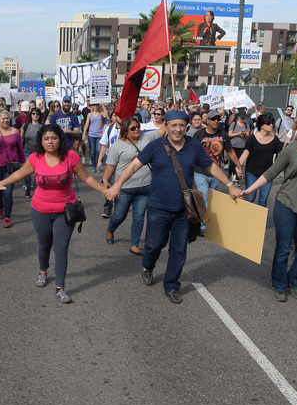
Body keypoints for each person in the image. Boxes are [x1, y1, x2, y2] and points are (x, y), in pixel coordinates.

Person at [105, 110, 242, 304]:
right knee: (154, 245)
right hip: (158, 207)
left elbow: (210, 167)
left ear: (186, 126)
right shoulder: (155, 146)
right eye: (173, 125)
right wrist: (118, 184)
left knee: (179, 249)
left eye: (181, 125)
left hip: (183, 210)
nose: (177, 129)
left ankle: (171, 285)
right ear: (166, 126)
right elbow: (134, 165)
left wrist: (230, 185)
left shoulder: (194, 145)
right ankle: (148, 266)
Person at [0, 123, 108, 303]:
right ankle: (43, 271)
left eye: (54, 138)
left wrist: (104, 191)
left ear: (60, 140)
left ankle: (60, 287)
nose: (50, 142)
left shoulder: (70, 156)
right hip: (39, 210)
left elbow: (86, 177)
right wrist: (1, 183)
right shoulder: (35, 158)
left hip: (65, 211)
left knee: (61, 247)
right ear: (41, 141)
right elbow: (18, 175)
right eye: (46, 138)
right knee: (44, 244)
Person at [240, 112, 297, 301]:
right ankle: (279, 284)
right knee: (283, 248)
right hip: (287, 204)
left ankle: (295, 281)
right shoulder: (291, 149)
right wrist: (248, 190)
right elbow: (272, 172)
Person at [101, 117, 164, 254]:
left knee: (139, 216)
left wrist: (169, 116)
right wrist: (105, 180)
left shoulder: (146, 137)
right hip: (125, 189)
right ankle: (111, 230)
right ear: (125, 130)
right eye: (133, 128)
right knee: (119, 215)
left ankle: (134, 244)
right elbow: (111, 165)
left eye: (138, 127)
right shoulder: (118, 145)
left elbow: (164, 130)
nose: (137, 130)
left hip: (146, 187)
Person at [193, 109, 244, 226]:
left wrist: (239, 166)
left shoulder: (222, 134)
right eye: (213, 119)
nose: (216, 121)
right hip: (200, 172)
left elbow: (230, 151)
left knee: (212, 200)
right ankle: (203, 225)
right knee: (204, 197)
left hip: (216, 174)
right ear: (207, 120)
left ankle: (208, 220)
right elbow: (192, 152)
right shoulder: (199, 134)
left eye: (218, 119)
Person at [239, 113, 285, 207]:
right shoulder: (252, 138)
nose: (271, 125)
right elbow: (245, 154)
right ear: (261, 125)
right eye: (268, 123)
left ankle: (259, 221)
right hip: (251, 172)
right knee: (250, 197)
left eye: (272, 123)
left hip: (267, 174)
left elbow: (282, 156)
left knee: (263, 200)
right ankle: (242, 217)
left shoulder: (275, 139)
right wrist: (238, 167)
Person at [21, 105, 44, 198]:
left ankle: (35, 189)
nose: (35, 115)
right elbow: (21, 138)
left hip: (39, 152)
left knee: (37, 173)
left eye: (37, 114)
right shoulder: (25, 125)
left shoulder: (42, 126)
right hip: (27, 151)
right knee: (27, 173)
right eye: (33, 113)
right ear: (31, 115)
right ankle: (28, 187)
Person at [83, 103, 105, 173]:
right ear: (92, 106)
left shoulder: (101, 113)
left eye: (97, 105)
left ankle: (98, 165)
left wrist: (103, 105)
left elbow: (106, 115)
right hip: (91, 134)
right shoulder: (89, 114)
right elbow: (86, 124)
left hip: (99, 134)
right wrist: (84, 133)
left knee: (98, 151)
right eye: (94, 105)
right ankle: (94, 166)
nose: (95, 106)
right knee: (92, 151)